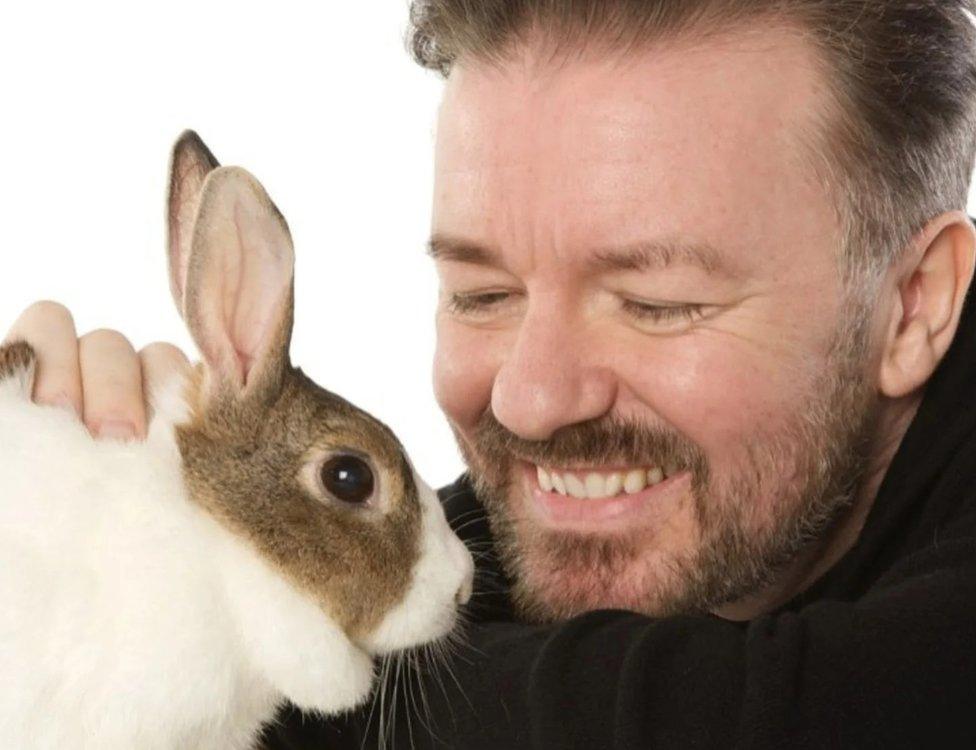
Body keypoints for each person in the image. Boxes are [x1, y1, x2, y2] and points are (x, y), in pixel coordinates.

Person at [7, 1, 976, 747]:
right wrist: (85, 572)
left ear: (914, 305)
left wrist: (213, 617)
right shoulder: (520, 547)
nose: (530, 399)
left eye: (657, 303)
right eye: (480, 294)